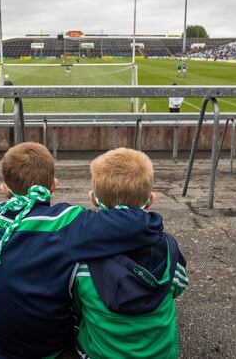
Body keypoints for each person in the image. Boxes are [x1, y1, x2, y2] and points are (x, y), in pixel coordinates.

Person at [0, 142, 164, 359]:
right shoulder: (66, 223)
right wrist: (153, 222)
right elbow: (132, 224)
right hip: (43, 348)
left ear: (4, 190)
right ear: (53, 185)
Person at [72, 148, 187, 359]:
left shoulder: (82, 257)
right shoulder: (169, 249)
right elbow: (178, 287)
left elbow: (76, 304)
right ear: (151, 199)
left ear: (93, 199)